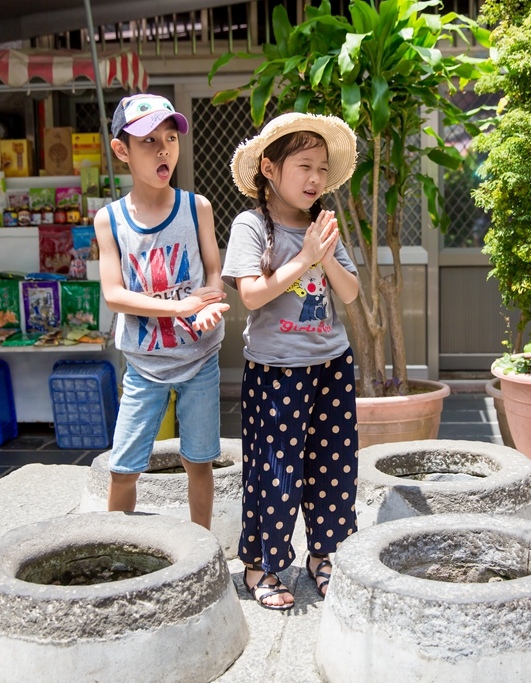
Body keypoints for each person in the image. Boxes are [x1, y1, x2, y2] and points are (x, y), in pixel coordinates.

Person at [222, 112, 361, 610]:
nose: (315, 179)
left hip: (332, 365)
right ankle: (261, 564)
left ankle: (323, 555)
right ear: (269, 168)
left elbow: (350, 290)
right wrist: (304, 259)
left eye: (322, 169)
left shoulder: (322, 226)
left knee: (334, 468)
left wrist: (323, 256)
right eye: (304, 165)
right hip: (277, 371)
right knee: (275, 471)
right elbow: (252, 296)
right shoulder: (251, 224)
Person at [94, 93, 229, 529]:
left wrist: (208, 304)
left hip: (200, 358)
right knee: (124, 466)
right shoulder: (109, 220)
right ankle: (115, 547)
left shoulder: (197, 207)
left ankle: (202, 549)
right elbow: (114, 294)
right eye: (148, 140)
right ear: (122, 150)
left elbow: (214, 275)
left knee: (199, 462)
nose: (163, 149)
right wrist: (180, 307)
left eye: (170, 138)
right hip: (144, 364)